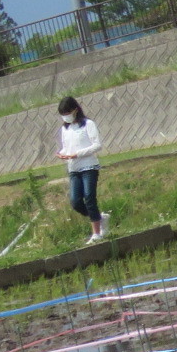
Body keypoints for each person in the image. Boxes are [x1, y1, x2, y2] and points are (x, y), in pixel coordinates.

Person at [56, 96, 108, 245]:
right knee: (75, 201)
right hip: (73, 168)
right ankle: (99, 218)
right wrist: (63, 153)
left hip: (89, 166)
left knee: (89, 197)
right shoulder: (65, 129)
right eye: (63, 114)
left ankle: (96, 233)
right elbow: (67, 146)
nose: (65, 116)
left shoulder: (88, 124)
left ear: (75, 110)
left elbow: (97, 145)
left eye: (67, 112)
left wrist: (77, 154)